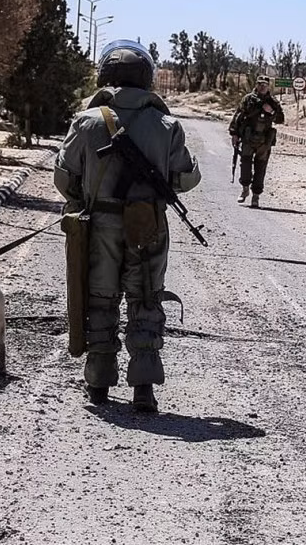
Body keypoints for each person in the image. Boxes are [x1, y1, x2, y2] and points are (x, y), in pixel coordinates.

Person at [54, 40, 201, 413]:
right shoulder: (168, 125)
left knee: (100, 299)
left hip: (98, 225)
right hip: (147, 223)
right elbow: (185, 180)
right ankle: (144, 389)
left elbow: (63, 177)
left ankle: (100, 380)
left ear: (106, 75)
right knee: (146, 300)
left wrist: (84, 198)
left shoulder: (86, 122)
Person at [228, 76, 284, 207]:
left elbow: (281, 119)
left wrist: (271, 111)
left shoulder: (273, 102)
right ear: (257, 85)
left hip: (264, 141)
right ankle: (245, 190)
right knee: (245, 165)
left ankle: (256, 196)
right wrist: (234, 133)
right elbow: (238, 115)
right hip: (248, 138)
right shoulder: (248, 99)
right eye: (260, 84)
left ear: (268, 86)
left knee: (261, 168)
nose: (263, 87)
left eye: (265, 84)